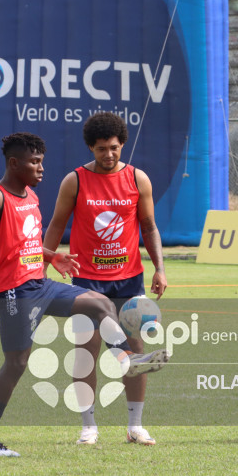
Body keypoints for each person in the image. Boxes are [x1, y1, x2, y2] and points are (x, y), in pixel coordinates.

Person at [0, 132, 169, 457]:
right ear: (14, 164)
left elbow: (24, 244)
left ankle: (129, 360)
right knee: (16, 364)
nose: (41, 169)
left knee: (99, 305)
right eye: (34, 163)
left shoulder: (29, 195)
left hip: (40, 284)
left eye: (42, 162)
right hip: (14, 291)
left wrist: (50, 256)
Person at [43, 112, 168, 446]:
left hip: (129, 279)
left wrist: (159, 267)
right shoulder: (75, 181)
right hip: (86, 280)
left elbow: (149, 226)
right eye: (101, 149)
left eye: (114, 148)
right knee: (87, 349)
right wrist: (43, 262)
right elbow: (56, 224)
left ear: (122, 144)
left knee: (135, 348)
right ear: (90, 147)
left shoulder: (138, 179)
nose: (109, 155)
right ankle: (88, 426)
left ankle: (135, 425)